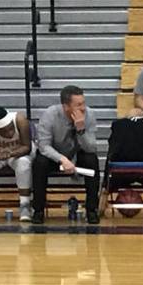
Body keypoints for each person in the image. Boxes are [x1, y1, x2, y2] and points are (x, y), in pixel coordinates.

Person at [31, 85, 101, 225]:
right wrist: (62, 159)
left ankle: (91, 210)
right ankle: (38, 210)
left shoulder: (89, 114)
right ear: (66, 106)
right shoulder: (50, 115)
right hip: (54, 155)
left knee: (91, 160)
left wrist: (81, 130)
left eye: (84, 103)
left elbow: (91, 147)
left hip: (77, 153)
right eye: (78, 105)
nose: (83, 108)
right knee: (40, 162)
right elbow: (44, 146)